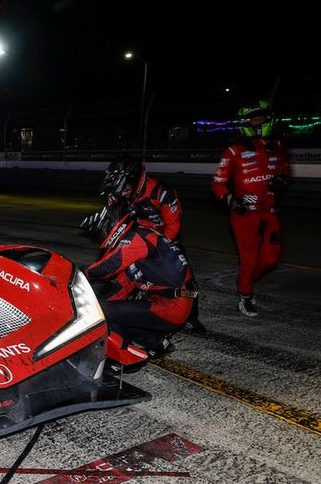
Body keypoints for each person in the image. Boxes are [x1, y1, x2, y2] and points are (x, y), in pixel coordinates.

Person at [86, 155, 206, 334]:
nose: (122, 194)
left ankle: (191, 316)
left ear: (135, 182)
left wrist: (156, 245)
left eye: (126, 190)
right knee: (113, 261)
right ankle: (112, 299)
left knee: (183, 273)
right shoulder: (119, 191)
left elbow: (173, 228)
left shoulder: (161, 192)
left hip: (158, 239)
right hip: (132, 236)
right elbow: (113, 218)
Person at [211, 100, 291, 317]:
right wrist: (231, 201)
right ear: (245, 122)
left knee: (271, 259)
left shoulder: (277, 145)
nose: (258, 121)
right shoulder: (233, 150)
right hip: (244, 214)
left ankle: (245, 280)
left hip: (270, 211)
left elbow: (286, 169)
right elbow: (217, 183)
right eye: (254, 118)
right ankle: (245, 295)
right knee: (250, 258)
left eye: (262, 117)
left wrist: (283, 179)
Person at [85, 205, 197, 356]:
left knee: (102, 313)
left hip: (172, 306)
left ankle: (123, 357)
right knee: (114, 309)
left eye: (103, 230)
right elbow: (122, 286)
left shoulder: (136, 240)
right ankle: (158, 343)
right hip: (178, 300)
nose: (103, 235)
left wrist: (84, 273)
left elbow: (108, 266)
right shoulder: (145, 235)